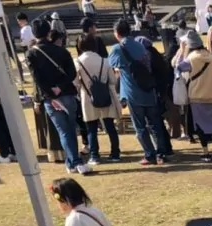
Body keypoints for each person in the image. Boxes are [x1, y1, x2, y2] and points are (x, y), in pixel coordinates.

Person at [27, 18, 91, 175]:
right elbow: (71, 73)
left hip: (50, 98)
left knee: (64, 131)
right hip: (67, 92)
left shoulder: (32, 53)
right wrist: (60, 87)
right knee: (70, 129)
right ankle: (73, 162)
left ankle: (73, 162)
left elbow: (37, 79)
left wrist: (50, 93)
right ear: (49, 31)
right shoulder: (62, 51)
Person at [110, 19, 170, 166]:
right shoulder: (140, 45)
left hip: (133, 92)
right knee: (155, 124)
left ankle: (149, 154)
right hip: (148, 89)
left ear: (117, 33)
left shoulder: (117, 49)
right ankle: (161, 153)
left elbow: (112, 66)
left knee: (140, 126)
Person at [175, 30, 212, 160]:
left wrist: (181, 50)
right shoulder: (210, 56)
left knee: (200, 125)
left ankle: (206, 152)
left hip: (197, 95)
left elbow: (178, 67)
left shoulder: (192, 58)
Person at [75, 34, 122, 163]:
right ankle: (115, 153)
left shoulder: (78, 62)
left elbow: (76, 82)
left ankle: (94, 155)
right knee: (110, 126)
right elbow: (112, 80)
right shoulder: (104, 61)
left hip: (88, 97)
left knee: (91, 128)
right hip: (105, 95)